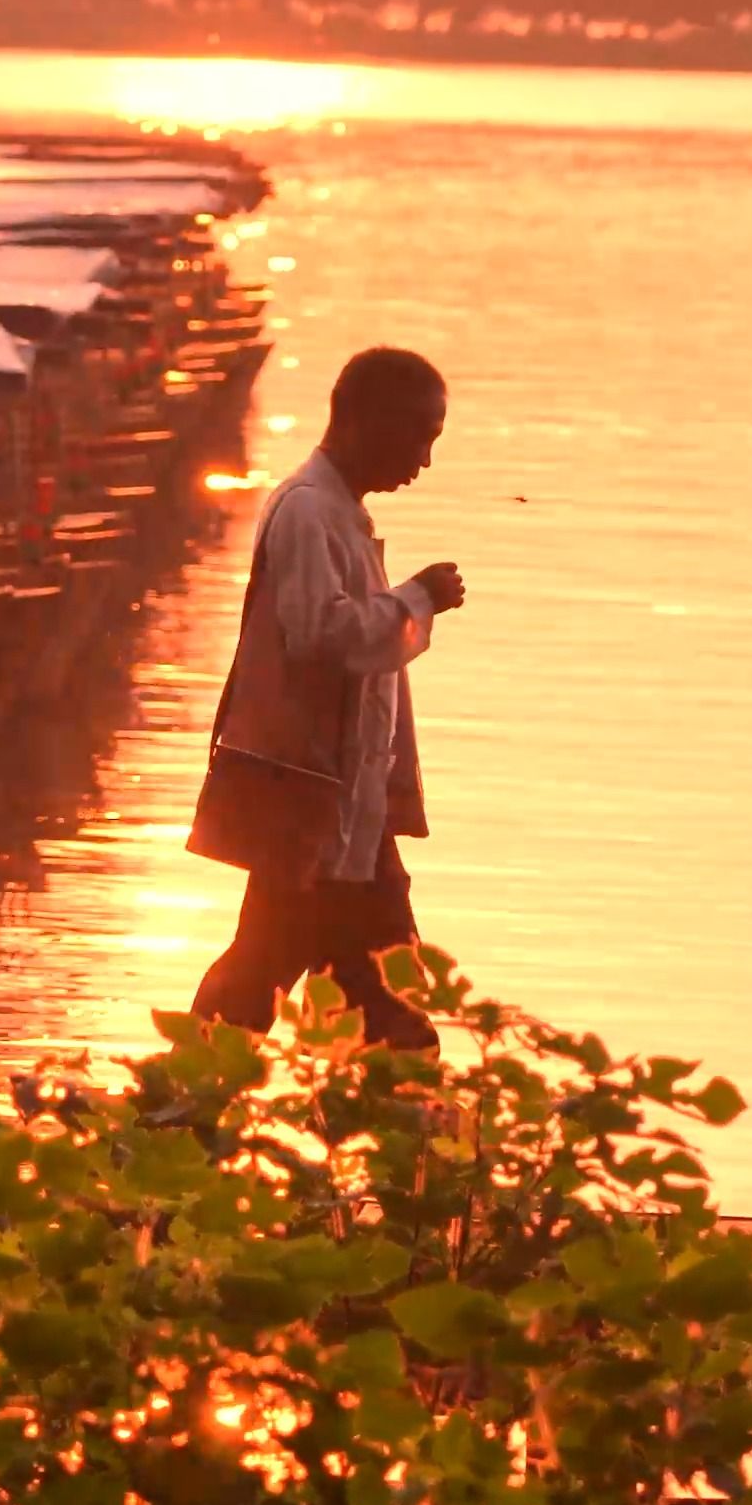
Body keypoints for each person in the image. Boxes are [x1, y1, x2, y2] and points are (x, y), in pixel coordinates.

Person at [188, 346, 463, 1050]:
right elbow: (324, 638)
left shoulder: (337, 515)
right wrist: (417, 598)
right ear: (365, 421)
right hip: (310, 810)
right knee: (274, 982)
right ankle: (175, 1121)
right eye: (419, 437)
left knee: (353, 991)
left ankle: (182, 1118)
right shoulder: (309, 512)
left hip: (345, 817)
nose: (423, 461)